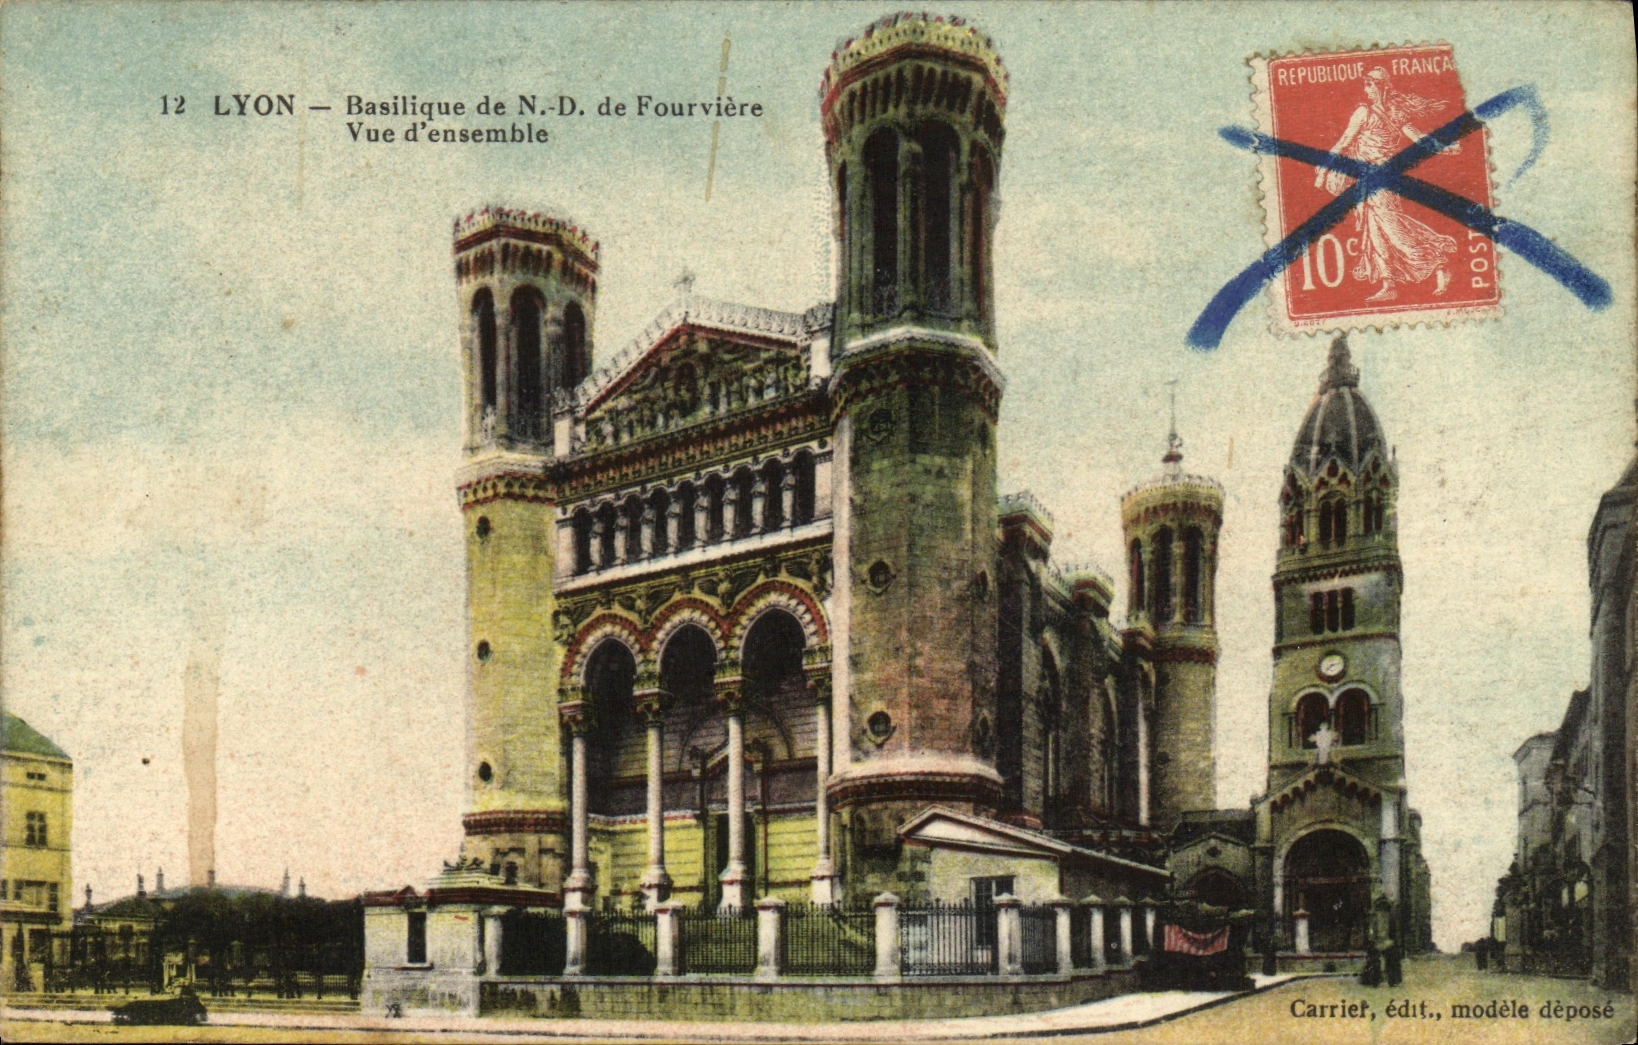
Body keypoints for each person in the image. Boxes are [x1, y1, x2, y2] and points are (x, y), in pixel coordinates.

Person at [1314, 67, 1459, 302]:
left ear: (1382, 87)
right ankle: (1388, 283)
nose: (1367, 90)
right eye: (1365, 85)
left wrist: (1444, 147)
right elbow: (1343, 142)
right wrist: (1323, 168)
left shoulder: (1395, 113)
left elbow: (1419, 139)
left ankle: (1438, 261)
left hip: (1384, 179)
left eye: (1371, 85)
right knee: (1375, 230)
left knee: (1393, 228)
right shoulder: (1363, 112)